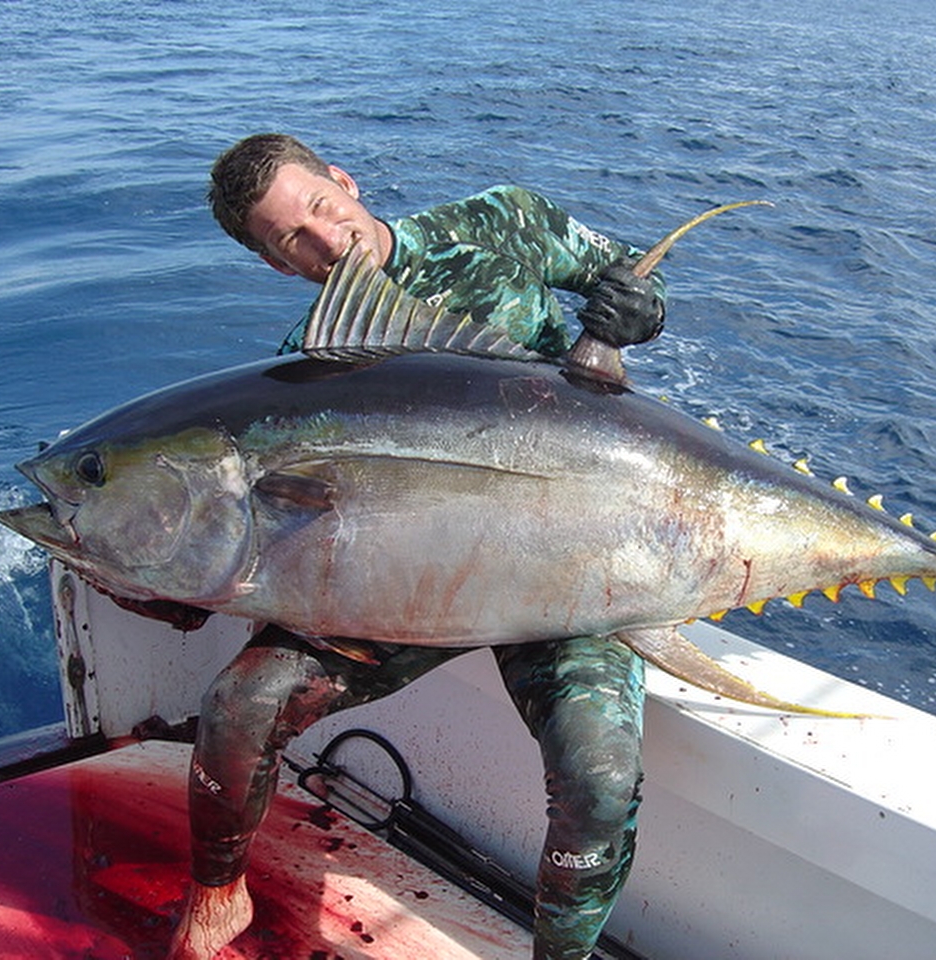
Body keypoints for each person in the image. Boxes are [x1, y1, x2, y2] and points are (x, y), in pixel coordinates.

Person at [168, 133, 666, 960]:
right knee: (240, 704)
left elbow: (629, 278)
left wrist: (641, 312)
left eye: (323, 208)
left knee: (600, 773)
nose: (329, 240)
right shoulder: (312, 363)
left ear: (344, 179)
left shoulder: (505, 223)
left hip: (575, 559)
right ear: (274, 263)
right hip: (406, 588)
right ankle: (218, 896)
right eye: (293, 237)